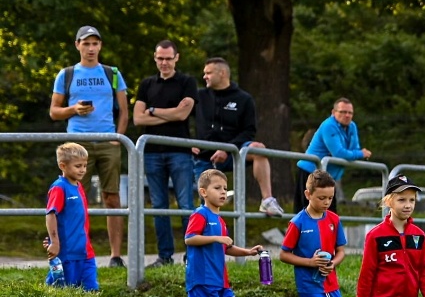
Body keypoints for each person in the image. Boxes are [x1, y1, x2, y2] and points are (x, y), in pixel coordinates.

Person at [49, 27, 128, 267]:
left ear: (100, 46)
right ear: (77, 45)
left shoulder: (112, 73)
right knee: (73, 199)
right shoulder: (67, 74)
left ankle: (115, 256)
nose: (91, 48)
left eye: (95, 43)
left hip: (107, 141)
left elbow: (125, 111)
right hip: (77, 142)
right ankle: (74, 252)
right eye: (86, 43)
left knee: (112, 198)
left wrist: (118, 137)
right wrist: (74, 109)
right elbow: (54, 111)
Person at [133, 40, 200, 267]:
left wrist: (152, 111)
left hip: (180, 152)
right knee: (159, 206)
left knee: (185, 204)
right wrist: (170, 113)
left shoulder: (187, 82)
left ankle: (192, 255)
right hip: (152, 153)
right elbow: (138, 118)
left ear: (176, 58)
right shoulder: (147, 84)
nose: (164, 63)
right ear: (155, 58)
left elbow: (183, 115)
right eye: (160, 58)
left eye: (168, 58)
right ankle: (164, 256)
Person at [183, 169, 264, 297]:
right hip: (204, 278)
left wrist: (248, 252)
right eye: (217, 188)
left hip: (221, 280)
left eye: (225, 188)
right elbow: (190, 238)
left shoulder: (220, 220)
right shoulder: (200, 214)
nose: (223, 192)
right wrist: (217, 238)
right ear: (203, 192)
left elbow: (227, 247)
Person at [197, 57, 284, 216]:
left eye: (208, 73)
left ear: (222, 73)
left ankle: (267, 201)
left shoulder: (244, 99)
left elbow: (249, 131)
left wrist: (227, 149)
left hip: (234, 153)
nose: (205, 77)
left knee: (259, 148)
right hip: (204, 156)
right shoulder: (199, 96)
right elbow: (181, 117)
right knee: (205, 210)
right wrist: (190, 142)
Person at [282, 170, 348, 297]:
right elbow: (284, 255)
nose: (327, 202)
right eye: (321, 198)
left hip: (331, 284)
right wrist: (310, 262)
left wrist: (333, 264)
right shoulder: (298, 222)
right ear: (308, 194)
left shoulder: (334, 220)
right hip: (309, 285)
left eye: (330, 198)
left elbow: (341, 251)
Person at [296, 98, 369, 213]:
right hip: (310, 173)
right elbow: (339, 153)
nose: (347, 115)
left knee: (330, 215)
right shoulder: (328, 125)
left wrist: (353, 153)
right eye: (343, 112)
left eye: (350, 113)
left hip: (328, 177)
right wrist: (360, 154)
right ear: (333, 112)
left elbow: (353, 149)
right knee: (305, 215)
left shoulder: (352, 126)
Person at [44, 142, 99, 291]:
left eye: (85, 165)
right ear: (63, 166)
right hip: (67, 253)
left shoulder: (79, 186)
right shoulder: (59, 187)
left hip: (85, 251)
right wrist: (54, 242)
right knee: (60, 289)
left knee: (91, 289)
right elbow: (50, 215)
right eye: (78, 166)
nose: (83, 170)